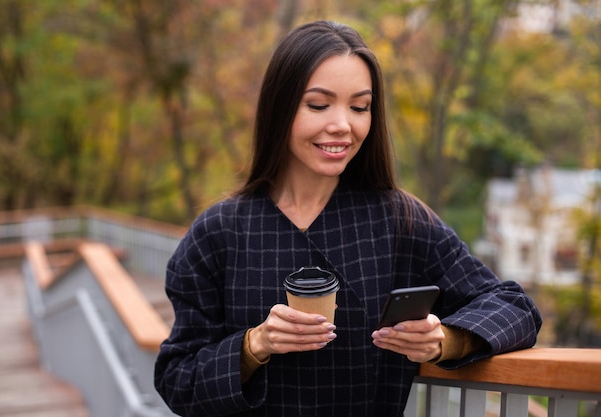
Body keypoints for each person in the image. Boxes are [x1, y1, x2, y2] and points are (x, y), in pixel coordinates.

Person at [154, 20, 542, 417]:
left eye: (360, 107)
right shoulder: (219, 232)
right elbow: (177, 379)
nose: (343, 125)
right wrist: (255, 345)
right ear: (279, 108)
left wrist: (446, 339)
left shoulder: (399, 219)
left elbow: (515, 307)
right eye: (318, 104)